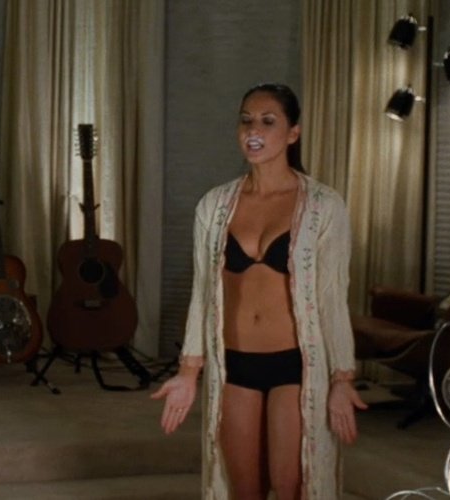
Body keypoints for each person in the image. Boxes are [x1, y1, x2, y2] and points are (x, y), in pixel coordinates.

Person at [152, 83, 365, 499]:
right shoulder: (214, 205)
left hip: (295, 365)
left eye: (268, 122)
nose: (254, 130)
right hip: (234, 365)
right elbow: (203, 293)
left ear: (292, 133)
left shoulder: (324, 205)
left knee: (289, 485)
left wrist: (342, 377)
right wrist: (188, 371)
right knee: (244, 489)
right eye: (246, 120)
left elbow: (331, 297)